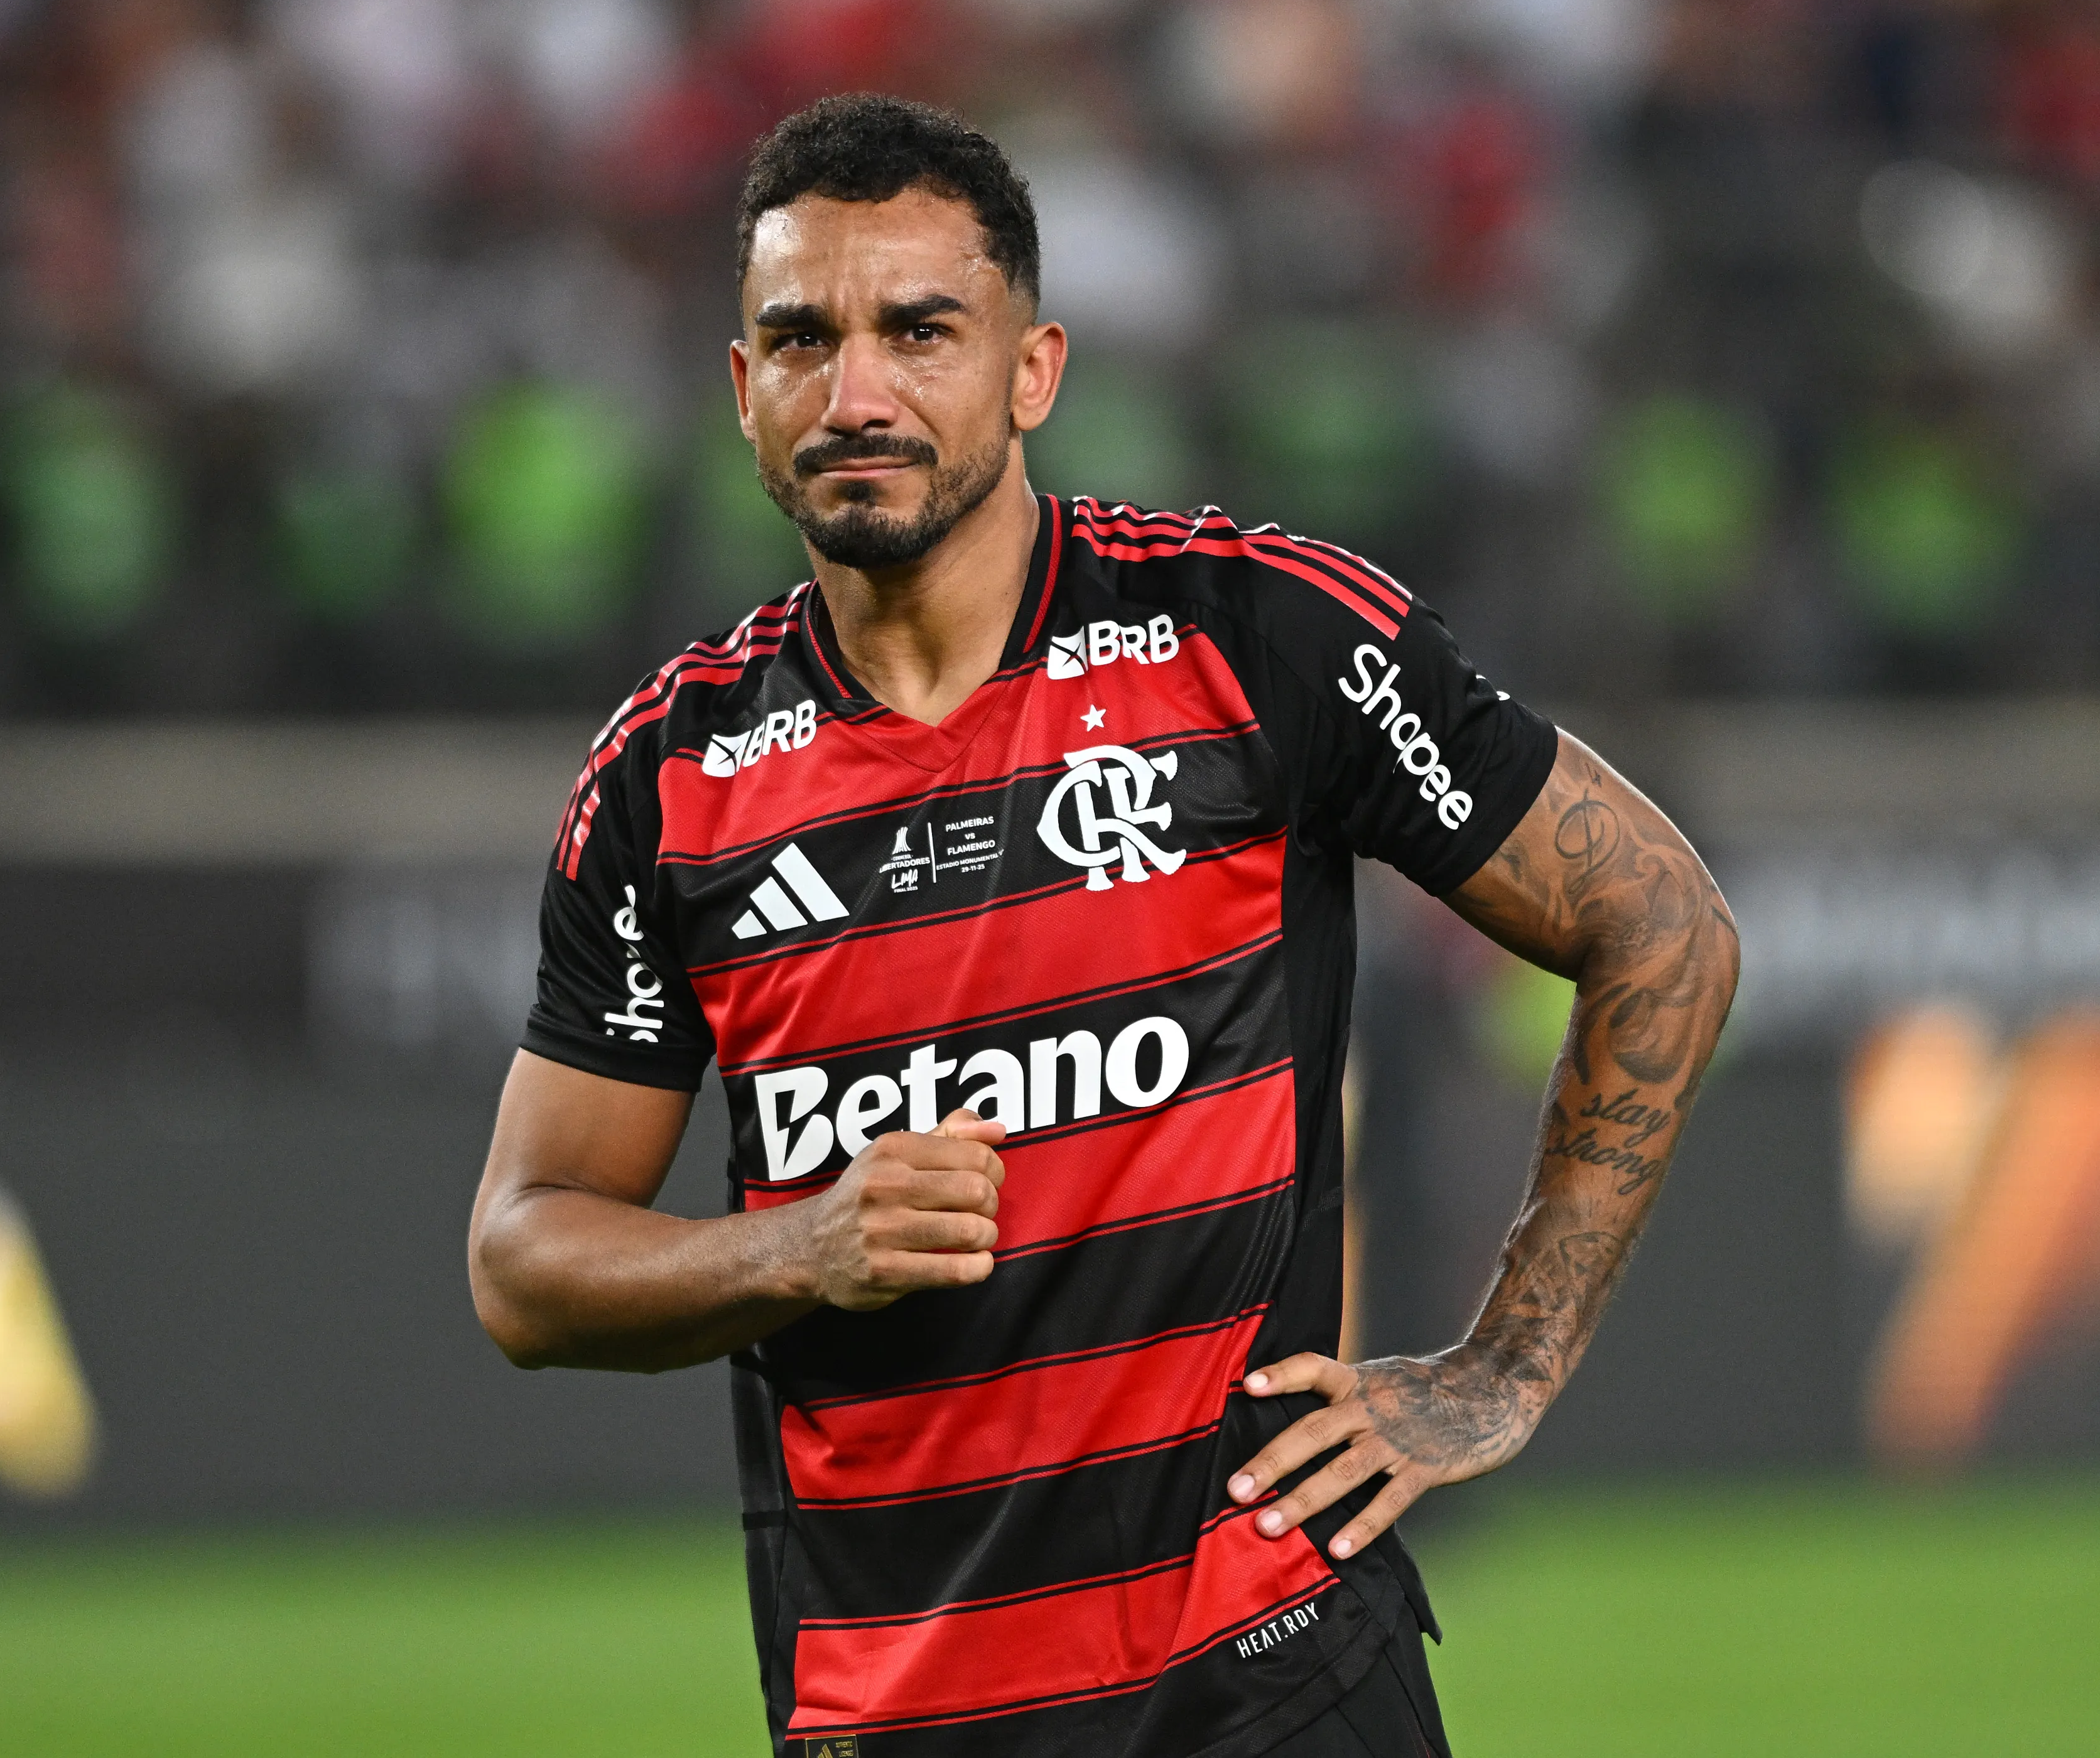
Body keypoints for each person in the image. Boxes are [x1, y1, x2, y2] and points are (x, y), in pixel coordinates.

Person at [468, 94, 1738, 1758]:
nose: (858, 391)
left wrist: (1509, 1361)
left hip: (1274, 1685)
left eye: (922, 330)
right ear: (743, 392)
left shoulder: (1258, 637)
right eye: (802, 338)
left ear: (1035, 369)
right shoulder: (668, 784)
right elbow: (523, 1256)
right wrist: (802, 1246)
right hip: (895, 1715)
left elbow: (1663, 923)